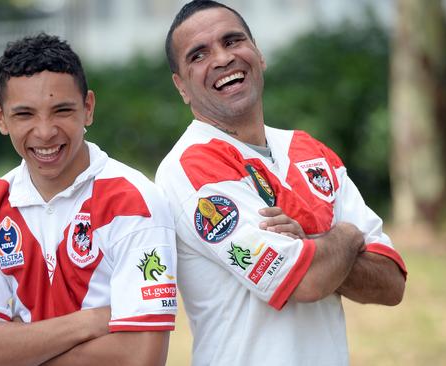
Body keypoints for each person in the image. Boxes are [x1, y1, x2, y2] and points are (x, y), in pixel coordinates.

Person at [155, 1, 407, 365]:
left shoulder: (310, 151)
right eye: (198, 55)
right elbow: (304, 282)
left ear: (258, 53)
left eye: (233, 40)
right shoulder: (190, 166)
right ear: (181, 86)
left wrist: (311, 241)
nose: (223, 59)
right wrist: (348, 237)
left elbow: (391, 283)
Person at [0, 33, 177, 366]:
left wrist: (17, 348)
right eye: (24, 114)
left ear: (88, 108)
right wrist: (91, 322)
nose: (45, 131)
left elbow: (140, 357)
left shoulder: (134, 200)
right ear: (0, 118)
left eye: (62, 110)